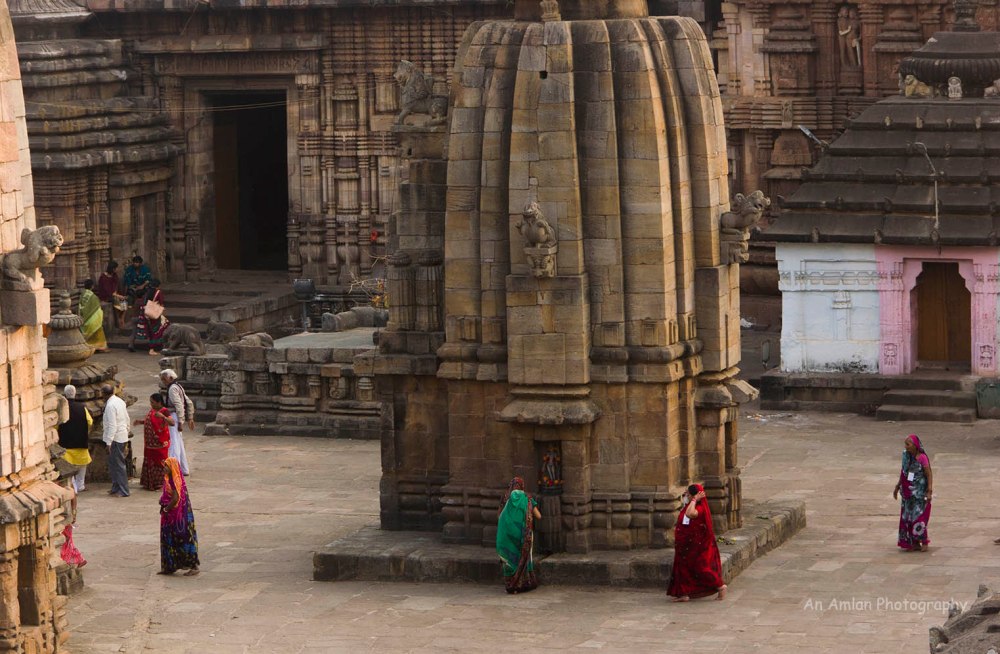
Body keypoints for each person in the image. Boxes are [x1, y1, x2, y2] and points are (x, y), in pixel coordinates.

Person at [667, 484, 727, 602]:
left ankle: (721, 587)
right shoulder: (689, 505)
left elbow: (690, 514)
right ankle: (683, 594)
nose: (686, 496)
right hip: (685, 545)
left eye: (688, 494)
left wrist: (694, 499)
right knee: (683, 568)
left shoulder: (699, 507)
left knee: (702, 568)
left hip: (696, 546)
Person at [495, 476, 541, 594]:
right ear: (522, 486)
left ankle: (510, 585)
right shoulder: (527, 499)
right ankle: (522, 584)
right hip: (523, 535)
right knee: (523, 556)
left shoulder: (506, 498)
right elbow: (539, 516)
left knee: (510, 559)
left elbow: (499, 517)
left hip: (507, 536)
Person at [159, 457, 200, 576]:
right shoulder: (169, 479)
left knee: (182, 538)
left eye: (166, 466)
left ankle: (193, 566)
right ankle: (170, 567)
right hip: (171, 516)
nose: (164, 468)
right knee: (169, 539)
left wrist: (166, 508)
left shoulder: (174, 480)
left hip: (177, 516)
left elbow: (176, 498)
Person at [894, 434, 933, 552]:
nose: (906, 447)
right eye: (905, 444)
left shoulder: (922, 458)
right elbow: (903, 472)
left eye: (908, 444)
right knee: (908, 518)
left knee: (919, 517)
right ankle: (914, 542)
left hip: (919, 494)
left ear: (915, 446)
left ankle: (924, 540)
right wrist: (897, 486)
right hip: (907, 494)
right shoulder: (906, 456)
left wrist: (929, 490)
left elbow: (929, 474)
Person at [134, 393, 173, 491]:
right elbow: (151, 421)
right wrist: (141, 422)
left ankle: (161, 484)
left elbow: (172, 422)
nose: (151, 404)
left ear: (159, 402)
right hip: (149, 445)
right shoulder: (153, 410)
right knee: (150, 462)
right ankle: (150, 483)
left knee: (160, 464)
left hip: (159, 444)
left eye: (153, 402)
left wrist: (162, 417)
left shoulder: (164, 411)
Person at [57, 385, 92, 494]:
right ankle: (80, 485)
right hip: (80, 441)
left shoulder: (61, 409)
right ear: (75, 394)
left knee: (68, 466)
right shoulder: (82, 408)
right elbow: (89, 422)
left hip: (65, 442)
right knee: (82, 464)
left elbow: (56, 425)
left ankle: (72, 486)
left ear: (64, 395)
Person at [160, 369, 194, 476]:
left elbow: (179, 405)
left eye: (164, 379)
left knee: (174, 444)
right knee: (179, 443)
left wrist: (180, 421)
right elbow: (188, 402)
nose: (163, 382)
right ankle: (183, 469)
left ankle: (174, 470)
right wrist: (190, 417)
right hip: (176, 417)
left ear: (170, 378)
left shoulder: (172, 389)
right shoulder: (178, 386)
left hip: (174, 417)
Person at [101, 384, 131, 497]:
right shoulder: (119, 401)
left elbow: (112, 425)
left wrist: (109, 442)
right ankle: (116, 487)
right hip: (121, 435)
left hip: (116, 438)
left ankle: (124, 490)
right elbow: (127, 418)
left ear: (104, 394)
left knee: (118, 465)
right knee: (113, 464)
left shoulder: (110, 406)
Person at [129, 280, 169, 355]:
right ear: (158, 286)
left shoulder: (147, 292)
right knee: (160, 329)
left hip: (147, 314)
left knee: (151, 332)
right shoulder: (158, 293)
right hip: (155, 314)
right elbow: (161, 303)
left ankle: (153, 347)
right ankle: (153, 348)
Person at [79, 279, 108, 352]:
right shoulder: (93, 297)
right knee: (98, 329)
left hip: (84, 319)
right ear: (92, 286)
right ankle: (100, 347)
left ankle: (90, 346)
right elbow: (97, 308)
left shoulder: (82, 295)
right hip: (92, 319)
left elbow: (80, 307)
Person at [96, 261, 127, 330]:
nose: (117, 270)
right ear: (113, 269)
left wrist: (119, 295)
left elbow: (116, 286)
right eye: (116, 268)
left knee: (125, 301)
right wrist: (118, 296)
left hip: (114, 294)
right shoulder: (103, 277)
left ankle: (122, 318)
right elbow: (108, 291)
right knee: (116, 301)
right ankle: (118, 321)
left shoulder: (114, 275)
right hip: (106, 296)